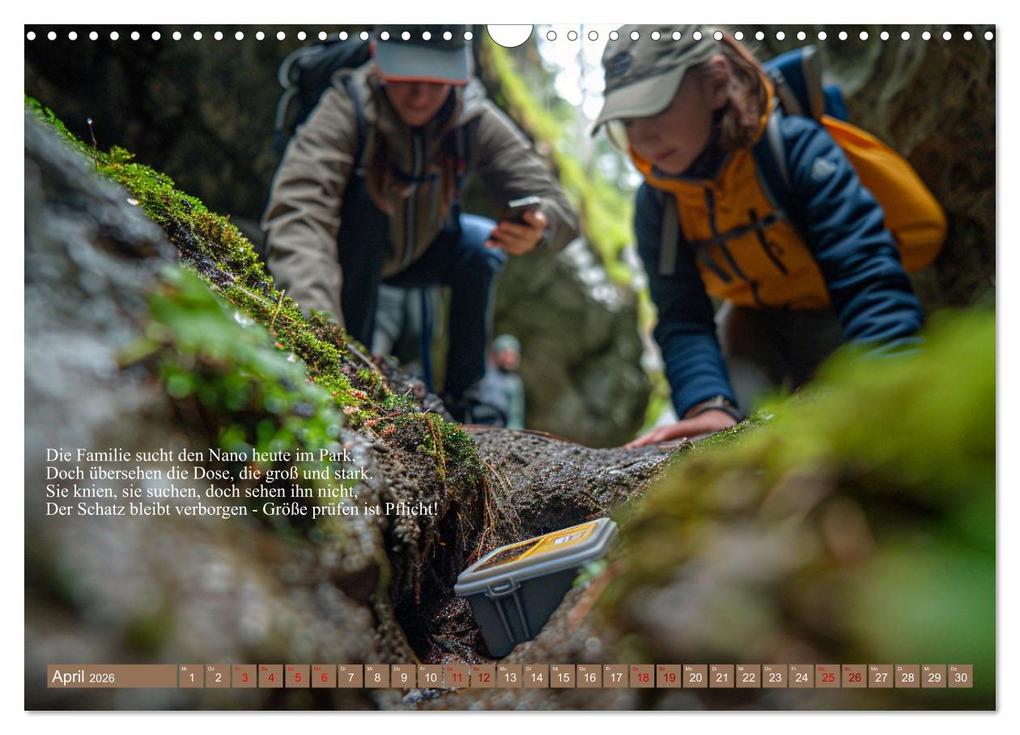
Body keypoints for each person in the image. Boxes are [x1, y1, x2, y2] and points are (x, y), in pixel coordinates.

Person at [592, 26, 931, 446]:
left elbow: (864, 269)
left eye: (656, 107)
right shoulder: (659, 204)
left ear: (716, 84)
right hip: (759, 329)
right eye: (627, 120)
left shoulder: (796, 150)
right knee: (727, 392)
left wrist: (889, 373)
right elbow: (682, 315)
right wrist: (707, 405)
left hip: (840, 317)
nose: (642, 137)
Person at [263, 26, 578, 421]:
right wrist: (317, 334)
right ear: (378, 56)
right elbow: (300, 212)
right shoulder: (347, 106)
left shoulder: (472, 116)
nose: (420, 95)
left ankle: (467, 397)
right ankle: (348, 370)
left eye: (436, 79)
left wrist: (541, 223)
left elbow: (557, 205)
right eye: (407, 75)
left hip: (425, 251)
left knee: (481, 246)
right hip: (350, 256)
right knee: (364, 234)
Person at [479, 334, 526, 429]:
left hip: (499, 427)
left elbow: (515, 415)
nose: (510, 359)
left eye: (513, 355)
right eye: (506, 354)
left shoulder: (514, 383)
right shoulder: (483, 375)